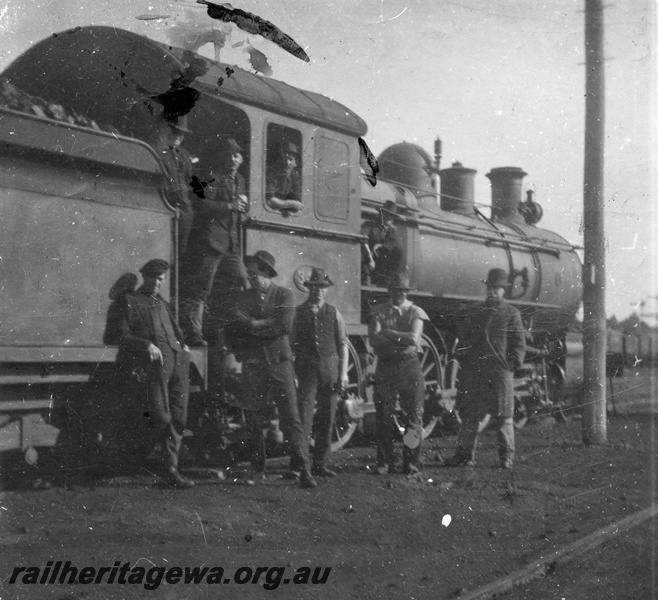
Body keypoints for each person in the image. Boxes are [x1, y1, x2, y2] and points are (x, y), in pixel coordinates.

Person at [224, 250, 317, 488]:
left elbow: (283, 327)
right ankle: (258, 470)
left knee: (291, 419)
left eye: (255, 274)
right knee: (254, 419)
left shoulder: (284, 295)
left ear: (267, 273)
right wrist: (263, 324)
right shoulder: (244, 298)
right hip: (254, 367)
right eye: (250, 274)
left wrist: (252, 325)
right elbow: (234, 325)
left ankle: (301, 469)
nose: (252, 278)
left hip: (280, 366)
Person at [113, 259, 195, 488]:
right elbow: (120, 335)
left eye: (161, 279)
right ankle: (158, 462)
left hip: (178, 362)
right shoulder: (130, 301)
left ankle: (171, 468)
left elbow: (177, 331)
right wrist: (145, 345)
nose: (157, 283)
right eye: (154, 278)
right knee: (161, 415)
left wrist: (184, 348)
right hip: (155, 366)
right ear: (145, 277)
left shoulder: (162, 303)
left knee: (179, 417)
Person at [445, 268, 526, 469]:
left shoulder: (512, 314)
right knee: (470, 415)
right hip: (476, 373)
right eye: (490, 288)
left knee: (504, 417)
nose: (493, 292)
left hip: (499, 373)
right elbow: (465, 339)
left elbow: (519, 346)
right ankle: (465, 456)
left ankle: (506, 457)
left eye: (497, 289)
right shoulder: (475, 312)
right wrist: (463, 357)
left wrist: (508, 366)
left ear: (504, 291)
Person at [179, 138, 249, 346]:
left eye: (236, 155)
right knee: (202, 287)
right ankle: (193, 333)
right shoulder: (211, 177)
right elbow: (202, 205)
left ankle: (223, 329)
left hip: (231, 244)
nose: (232, 159)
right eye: (228, 155)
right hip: (211, 241)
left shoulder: (241, 180)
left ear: (241, 158)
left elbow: (240, 207)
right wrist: (231, 206)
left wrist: (242, 208)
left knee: (242, 281)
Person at [368, 273, 429, 476]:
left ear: (406, 292)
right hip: (386, 366)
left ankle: (411, 462)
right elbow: (374, 341)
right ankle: (385, 462)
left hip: (409, 366)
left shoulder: (416, 312)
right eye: (395, 291)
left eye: (402, 291)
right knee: (383, 415)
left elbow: (413, 339)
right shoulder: (378, 311)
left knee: (413, 416)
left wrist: (388, 333)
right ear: (390, 292)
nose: (399, 294)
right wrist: (399, 338)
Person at [292, 267, 350, 478]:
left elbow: (343, 344)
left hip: (330, 371)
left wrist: (343, 374)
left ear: (326, 290)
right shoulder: (298, 313)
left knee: (328, 417)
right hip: (306, 371)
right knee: (304, 417)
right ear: (309, 289)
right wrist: (293, 375)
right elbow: (291, 345)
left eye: (322, 288)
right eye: (314, 288)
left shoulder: (334, 313)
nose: (318, 292)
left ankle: (320, 463)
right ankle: (300, 465)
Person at [153, 113, 195, 256]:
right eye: (175, 131)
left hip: (184, 212)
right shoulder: (156, 151)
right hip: (166, 207)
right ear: (165, 129)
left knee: (179, 254)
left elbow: (190, 180)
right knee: (164, 252)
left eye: (182, 133)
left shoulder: (184, 155)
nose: (178, 136)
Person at [361, 200, 403, 286]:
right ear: (381, 214)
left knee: (398, 251)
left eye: (391, 217)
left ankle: (387, 280)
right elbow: (364, 240)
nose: (389, 219)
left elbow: (394, 243)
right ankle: (365, 281)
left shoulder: (392, 231)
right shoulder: (370, 225)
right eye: (387, 215)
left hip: (382, 263)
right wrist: (370, 258)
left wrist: (381, 245)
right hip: (368, 258)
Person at [265, 142, 303, 215]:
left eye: (290, 159)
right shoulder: (272, 174)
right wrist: (289, 204)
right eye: (283, 158)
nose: (286, 162)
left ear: (296, 163)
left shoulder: (296, 177)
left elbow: (297, 204)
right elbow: (269, 201)